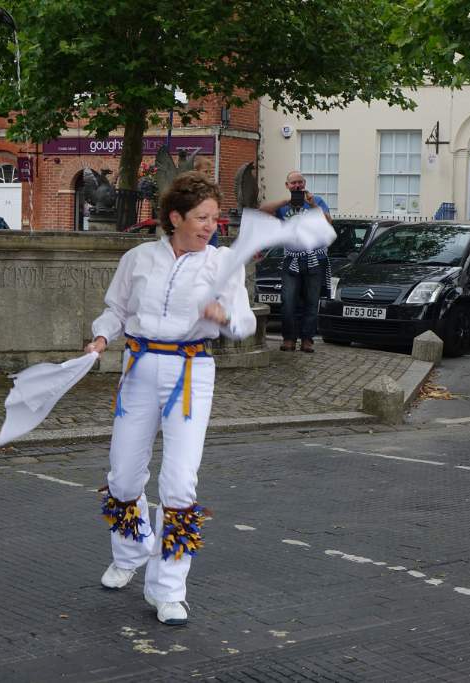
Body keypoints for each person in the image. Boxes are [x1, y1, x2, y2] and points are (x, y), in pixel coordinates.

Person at [84, 172, 256, 625]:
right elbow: (116, 310)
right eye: (202, 217)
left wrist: (225, 316)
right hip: (138, 368)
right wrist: (101, 338)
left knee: (179, 482)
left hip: (191, 372)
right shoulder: (138, 258)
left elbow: (246, 322)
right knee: (123, 476)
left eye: (215, 218)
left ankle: (168, 589)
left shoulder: (223, 263)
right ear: (175, 217)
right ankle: (130, 554)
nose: (211, 226)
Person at [259, 170, 333, 352]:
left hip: (315, 258)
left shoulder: (317, 201)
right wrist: (285, 201)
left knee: (311, 302)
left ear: (304, 184)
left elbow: (329, 223)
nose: (297, 185)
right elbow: (262, 211)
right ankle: (289, 339)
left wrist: (313, 205)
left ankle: (307, 339)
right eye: (293, 183)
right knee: (288, 302)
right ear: (287, 185)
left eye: (300, 182)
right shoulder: (283, 205)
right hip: (292, 259)